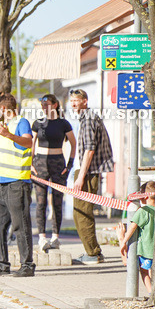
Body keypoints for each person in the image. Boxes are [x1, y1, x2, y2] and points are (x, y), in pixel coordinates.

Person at [0, 94, 36, 277]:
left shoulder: (21, 123)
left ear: (3, 109)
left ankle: (27, 265)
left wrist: (8, 135)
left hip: (17, 183)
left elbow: (28, 142)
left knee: (20, 225)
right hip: (1, 184)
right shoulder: (4, 126)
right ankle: (1, 263)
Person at [69, 88, 114, 264]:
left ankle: (92, 253)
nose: (73, 104)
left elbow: (89, 150)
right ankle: (94, 251)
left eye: (76, 100)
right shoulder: (88, 117)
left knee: (81, 212)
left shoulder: (88, 119)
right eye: (71, 100)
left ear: (85, 101)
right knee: (82, 211)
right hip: (89, 171)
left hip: (88, 171)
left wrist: (81, 177)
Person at [31, 94, 76, 251]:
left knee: (58, 201)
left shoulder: (64, 124)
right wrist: (30, 164)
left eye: (47, 104)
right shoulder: (38, 123)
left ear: (55, 105)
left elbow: (73, 143)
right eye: (42, 105)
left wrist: (69, 165)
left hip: (58, 163)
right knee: (41, 201)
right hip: (40, 163)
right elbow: (32, 144)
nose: (44, 107)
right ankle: (42, 237)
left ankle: (56, 237)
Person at [118, 180, 155, 293]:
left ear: (145, 196)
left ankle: (151, 292)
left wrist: (123, 240)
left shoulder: (143, 211)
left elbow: (133, 226)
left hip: (146, 250)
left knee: (144, 272)